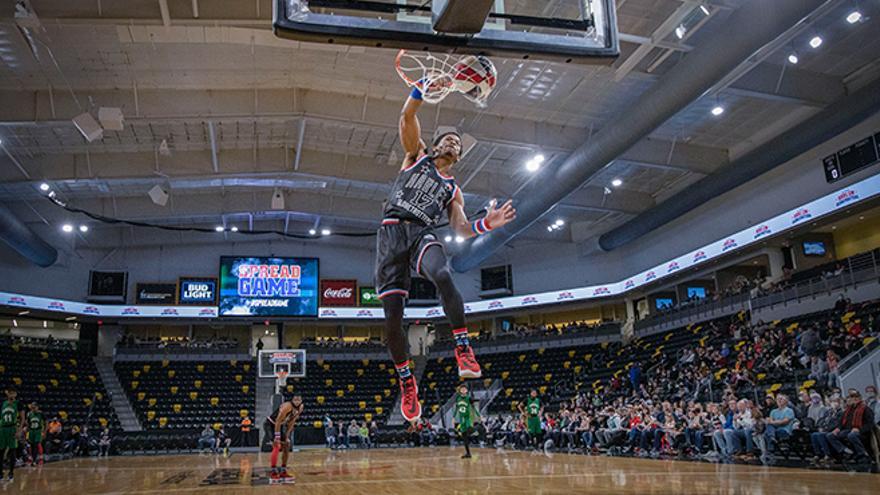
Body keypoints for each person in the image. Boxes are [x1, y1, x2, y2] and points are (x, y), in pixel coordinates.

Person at [376, 78, 517, 423]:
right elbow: (407, 117)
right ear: (436, 146)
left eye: (458, 145)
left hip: (422, 233)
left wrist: (488, 224)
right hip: (392, 233)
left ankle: (463, 347)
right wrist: (421, 89)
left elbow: (461, 228)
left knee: (442, 272)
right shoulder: (415, 157)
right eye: (449, 140)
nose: (454, 144)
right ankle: (407, 380)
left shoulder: (453, 188)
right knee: (393, 318)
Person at [825, 390, 875, 462]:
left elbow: (870, 424)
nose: (854, 399)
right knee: (830, 435)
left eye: (856, 397)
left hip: (862, 431)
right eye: (852, 397)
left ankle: (863, 454)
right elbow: (841, 423)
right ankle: (845, 450)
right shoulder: (848, 410)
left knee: (851, 435)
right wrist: (838, 428)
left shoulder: (865, 409)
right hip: (848, 430)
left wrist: (859, 429)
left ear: (860, 398)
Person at [264, 395, 303, 479]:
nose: (297, 401)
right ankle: (273, 470)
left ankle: (283, 470)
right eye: (295, 399)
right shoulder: (287, 406)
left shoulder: (300, 408)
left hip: (280, 425)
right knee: (276, 445)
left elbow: (292, 422)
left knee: (286, 445)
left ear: (301, 401)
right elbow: (277, 421)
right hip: (270, 424)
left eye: (299, 400)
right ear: (292, 400)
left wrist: (287, 436)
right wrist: (277, 437)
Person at [761, 394, 795, 464]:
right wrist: (774, 422)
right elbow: (769, 422)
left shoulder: (789, 411)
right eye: (777, 399)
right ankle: (772, 442)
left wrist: (773, 422)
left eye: (781, 399)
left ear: (786, 401)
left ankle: (769, 452)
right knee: (769, 427)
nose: (779, 400)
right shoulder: (773, 411)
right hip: (774, 430)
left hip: (785, 431)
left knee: (766, 433)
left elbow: (784, 422)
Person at [0, 388, 24, 482]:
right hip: (2, 428)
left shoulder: (18, 404)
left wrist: (19, 430)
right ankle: (0, 474)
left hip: (12, 428)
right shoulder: (3, 403)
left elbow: (22, 418)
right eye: (10, 393)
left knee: (12, 451)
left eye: (13, 393)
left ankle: (11, 473)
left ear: (16, 394)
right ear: (7, 394)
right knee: (1, 452)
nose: (11, 394)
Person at [453, 384, 480, 459]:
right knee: (464, 438)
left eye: (465, 389)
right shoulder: (458, 399)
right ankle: (468, 453)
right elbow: (456, 409)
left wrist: (479, 415)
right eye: (462, 389)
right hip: (461, 419)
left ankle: (477, 428)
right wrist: (453, 417)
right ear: (460, 391)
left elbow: (474, 408)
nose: (463, 390)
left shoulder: (469, 398)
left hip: (468, 417)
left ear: (467, 391)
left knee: (469, 428)